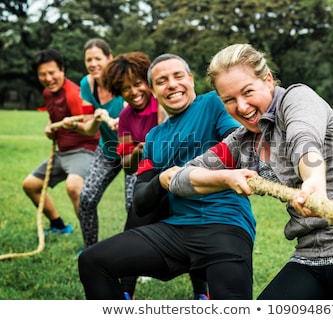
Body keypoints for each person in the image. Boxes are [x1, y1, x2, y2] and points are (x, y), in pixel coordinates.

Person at [168, 43, 333, 300]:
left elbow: (304, 140)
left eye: (247, 92)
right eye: (229, 100)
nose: (241, 107)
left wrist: (313, 183)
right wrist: (226, 177)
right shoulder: (240, 142)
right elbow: (181, 179)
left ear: (267, 80)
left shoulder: (297, 99)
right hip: (310, 258)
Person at [78, 53, 256, 300]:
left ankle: (201, 293)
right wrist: (161, 180)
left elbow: (239, 147)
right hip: (176, 231)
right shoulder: (153, 138)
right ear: (153, 90)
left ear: (191, 79)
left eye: (178, 76)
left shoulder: (213, 104)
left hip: (224, 225)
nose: (172, 84)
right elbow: (140, 202)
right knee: (91, 261)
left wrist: (187, 172)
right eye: (162, 81)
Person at [100, 51, 206, 299]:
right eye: (125, 89)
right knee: (133, 227)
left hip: (182, 175)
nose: (133, 92)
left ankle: (202, 294)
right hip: (150, 179)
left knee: (193, 227)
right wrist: (140, 149)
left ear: (148, 84)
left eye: (137, 84)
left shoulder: (164, 101)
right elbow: (127, 165)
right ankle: (126, 292)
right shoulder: (126, 117)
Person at [22, 49, 99, 235]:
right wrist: (50, 127)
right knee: (30, 185)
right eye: (43, 74)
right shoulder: (48, 94)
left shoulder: (74, 93)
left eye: (52, 72)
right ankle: (59, 226)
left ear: (62, 70)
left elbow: (91, 126)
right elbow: (55, 117)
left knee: (73, 187)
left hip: (83, 150)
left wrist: (73, 125)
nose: (48, 78)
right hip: (62, 152)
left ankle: (91, 242)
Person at [74, 38, 127, 249]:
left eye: (98, 58)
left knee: (134, 205)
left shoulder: (124, 81)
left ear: (110, 58)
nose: (93, 63)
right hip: (108, 150)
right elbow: (88, 129)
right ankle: (90, 250)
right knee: (86, 198)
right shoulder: (87, 84)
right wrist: (95, 119)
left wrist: (122, 121)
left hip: (133, 150)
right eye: (89, 60)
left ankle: (140, 259)